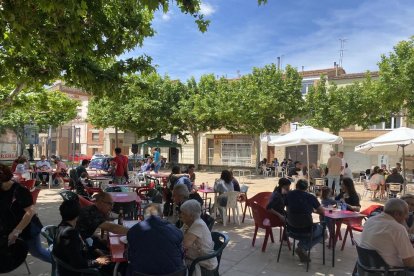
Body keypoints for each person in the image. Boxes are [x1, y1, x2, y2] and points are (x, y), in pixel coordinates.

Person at [0, 164, 52, 263]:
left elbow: (30, 212)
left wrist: (16, 232)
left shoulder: (19, 190)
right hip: (9, 226)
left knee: (37, 252)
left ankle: (61, 264)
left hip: (28, 227)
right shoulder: (1, 189)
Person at [53, 200, 110, 276]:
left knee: (108, 256)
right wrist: (97, 261)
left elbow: (80, 247)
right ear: (78, 215)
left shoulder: (62, 227)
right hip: (78, 271)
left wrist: (96, 250)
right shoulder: (70, 234)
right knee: (113, 267)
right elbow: (78, 263)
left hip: (79, 262)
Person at [127, 203, 185, 276]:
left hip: (141, 273)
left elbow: (129, 256)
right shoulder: (176, 230)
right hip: (174, 273)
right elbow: (181, 254)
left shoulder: (133, 231)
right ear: (161, 216)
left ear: (142, 217)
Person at [360, 198, 414, 268]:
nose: (406, 217)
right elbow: (409, 263)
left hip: (366, 267)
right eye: (406, 214)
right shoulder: (397, 229)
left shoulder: (371, 220)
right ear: (396, 214)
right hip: (389, 271)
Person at [285, 179, 325, 263]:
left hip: (290, 229)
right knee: (324, 233)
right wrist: (313, 210)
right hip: (306, 231)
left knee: (305, 227)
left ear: (296, 186)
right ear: (307, 188)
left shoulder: (289, 195)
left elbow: (288, 209)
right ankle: (303, 247)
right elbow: (322, 211)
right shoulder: (310, 197)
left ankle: (302, 246)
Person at [181, 199, 217, 276]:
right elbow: (178, 233)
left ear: (190, 215)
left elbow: (184, 244)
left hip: (203, 264)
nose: (181, 215)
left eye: (183, 214)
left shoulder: (198, 224)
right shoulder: (188, 223)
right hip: (195, 258)